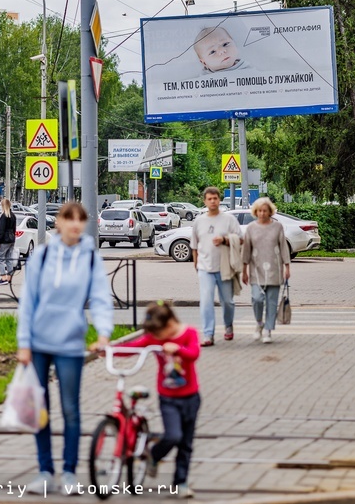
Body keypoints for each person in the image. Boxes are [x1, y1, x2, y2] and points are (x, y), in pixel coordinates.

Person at [17, 202, 114, 496]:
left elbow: (99, 297)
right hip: (38, 343)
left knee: (71, 409)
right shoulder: (43, 255)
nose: (74, 224)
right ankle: (45, 470)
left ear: (84, 224)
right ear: (58, 222)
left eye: (79, 220)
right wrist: (23, 343)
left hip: (70, 344)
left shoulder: (90, 259)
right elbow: (28, 301)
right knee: (40, 409)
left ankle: (70, 472)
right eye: (68, 218)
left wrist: (104, 333)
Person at [96, 302, 200, 499]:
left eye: (159, 335)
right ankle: (154, 455)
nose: (157, 340)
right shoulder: (155, 338)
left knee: (186, 443)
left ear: (169, 324)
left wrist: (177, 348)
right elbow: (132, 347)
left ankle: (181, 482)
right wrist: (109, 350)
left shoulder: (189, 333)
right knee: (173, 435)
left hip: (191, 397)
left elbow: (194, 353)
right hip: (168, 398)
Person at [190, 187, 242, 347]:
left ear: (219, 200)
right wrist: (196, 264)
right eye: (209, 199)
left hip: (224, 267)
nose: (212, 201)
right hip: (205, 268)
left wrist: (225, 240)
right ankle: (208, 334)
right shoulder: (199, 221)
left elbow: (240, 239)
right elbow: (194, 246)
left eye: (215, 198)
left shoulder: (229, 220)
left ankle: (228, 325)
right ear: (205, 201)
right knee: (206, 301)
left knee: (227, 302)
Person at [242, 197, 290, 343]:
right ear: (256, 212)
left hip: (275, 269)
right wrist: (243, 270)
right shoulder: (251, 228)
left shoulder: (277, 227)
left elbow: (283, 247)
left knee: (271, 302)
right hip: (256, 270)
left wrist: (287, 266)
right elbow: (246, 250)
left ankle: (268, 330)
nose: (262, 213)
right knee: (256, 299)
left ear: (270, 212)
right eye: (260, 211)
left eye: (265, 211)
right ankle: (259, 323)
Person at [0, 198, 17, 286]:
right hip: (11, 239)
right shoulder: (13, 215)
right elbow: (14, 229)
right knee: (9, 259)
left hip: (4, 240)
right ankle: (9, 278)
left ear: (3, 206)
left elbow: (1, 230)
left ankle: (3, 278)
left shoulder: (4, 216)